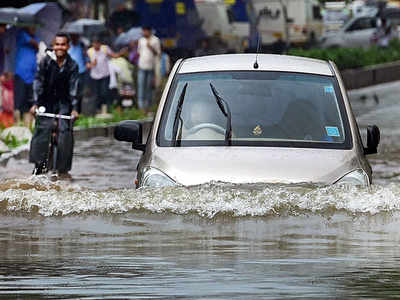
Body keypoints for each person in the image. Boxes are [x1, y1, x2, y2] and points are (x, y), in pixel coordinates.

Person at [29, 33, 79, 177]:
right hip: (46, 103)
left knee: (65, 133)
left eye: (63, 44)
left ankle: (63, 171)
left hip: (64, 104)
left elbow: (74, 88)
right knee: (42, 131)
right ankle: (38, 167)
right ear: (53, 46)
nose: (59, 47)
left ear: (68, 46)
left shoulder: (72, 65)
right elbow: (38, 82)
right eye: (57, 44)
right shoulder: (45, 62)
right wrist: (35, 103)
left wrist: (74, 109)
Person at [86, 37, 127, 114]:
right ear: (92, 44)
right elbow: (87, 65)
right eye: (95, 43)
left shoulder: (105, 49)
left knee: (105, 92)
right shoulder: (89, 52)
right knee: (97, 94)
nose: (96, 45)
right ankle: (98, 110)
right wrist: (92, 64)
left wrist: (121, 53)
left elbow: (114, 55)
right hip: (95, 76)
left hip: (105, 75)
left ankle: (107, 108)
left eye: (98, 43)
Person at [14, 26, 39, 127]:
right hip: (21, 73)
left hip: (32, 75)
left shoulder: (35, 37)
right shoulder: (22, 34)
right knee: (18, 102)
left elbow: (37, 47)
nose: (34, 29)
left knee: (29, 102)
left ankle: (27, 125)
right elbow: (35, 44)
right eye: (32, 27)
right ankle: (16, 124)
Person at [137, 26, 161, 112]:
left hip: (151, 67)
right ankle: (141, 106)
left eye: (146, 31)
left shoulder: (155, 40)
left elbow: (158, 54)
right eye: (144, 31)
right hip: (142, 66)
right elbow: (139, 52)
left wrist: (150, 47)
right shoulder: (141, 40)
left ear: (150, 31)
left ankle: (147, 106)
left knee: (148, 87)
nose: (145, 33)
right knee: (141, 86)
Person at [68, 33, 88, 113]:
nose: (75, 37)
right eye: (73, 36)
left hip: (81, 72)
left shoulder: (82, 45)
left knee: (80, 93)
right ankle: (71, 110)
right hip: (71, 73)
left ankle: (78, 111)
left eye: (76, 36)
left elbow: (86, 57)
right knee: (72, 92)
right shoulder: (67, 46)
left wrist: (87, 62)